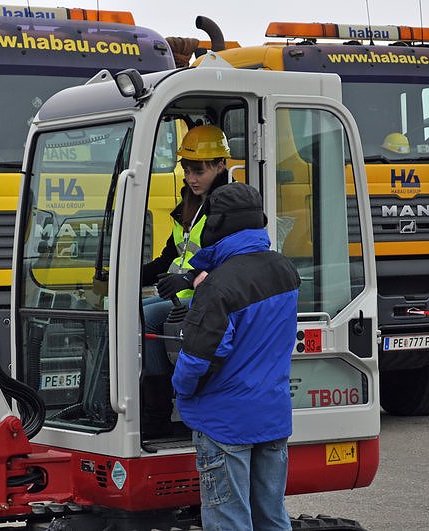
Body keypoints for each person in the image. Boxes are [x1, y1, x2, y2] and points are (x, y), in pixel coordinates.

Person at [172, 183, 300, 530]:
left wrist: (181, 391)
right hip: (272, 416)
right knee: (273, 518)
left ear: (220, 224)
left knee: (230, 521)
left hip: (225, 422)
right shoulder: (284, 270)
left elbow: (199, 359)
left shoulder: (219, 286)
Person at [140, 124, 231, 438]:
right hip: (184, 290)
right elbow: (167, 258)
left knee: (147, 317)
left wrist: (187, 280)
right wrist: (124, 277)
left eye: (199, 171)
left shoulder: (227, 204)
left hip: (209, 293)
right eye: (186, 170)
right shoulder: (190, 206)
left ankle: (157, 411)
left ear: (220, 166)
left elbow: (227, 259)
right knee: (129, 307)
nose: (191, 178)